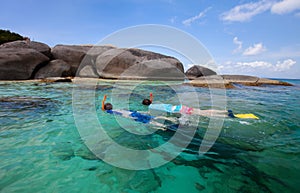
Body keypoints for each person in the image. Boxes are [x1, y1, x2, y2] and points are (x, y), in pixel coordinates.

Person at [101, 95, 178, 130]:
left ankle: (163, 126)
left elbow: (103, 109)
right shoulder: (120, 109)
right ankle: (169, 118)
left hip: (133, 117)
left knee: (148, 122)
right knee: (151, 117)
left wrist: (103, 100)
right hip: (135, 113)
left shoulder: (110, 111)